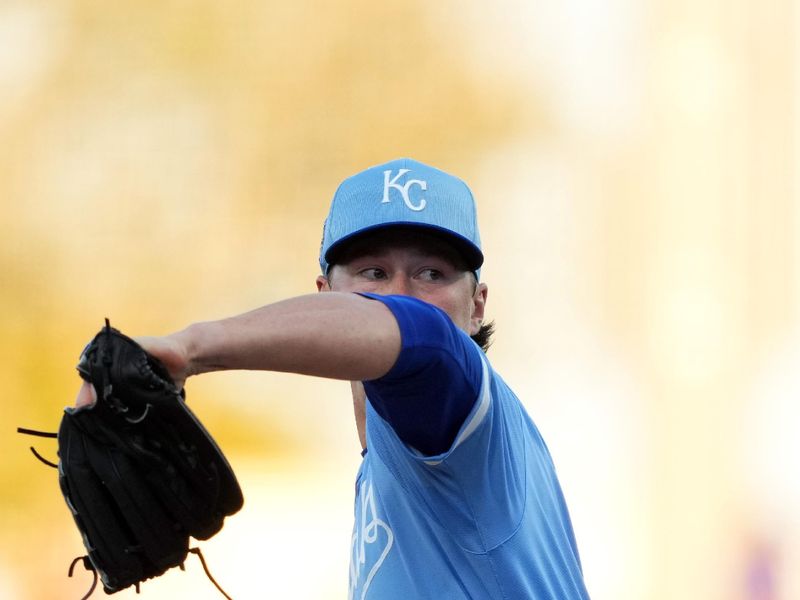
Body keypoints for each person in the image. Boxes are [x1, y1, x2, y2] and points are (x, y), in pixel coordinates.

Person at [75, 158, 591, 599]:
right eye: (372, 273)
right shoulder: (393, 459)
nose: (400, 294)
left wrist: (188, 349)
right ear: (325, 293)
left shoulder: (464, 418)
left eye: (432, 273)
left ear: (476, 307)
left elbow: (425, 341)